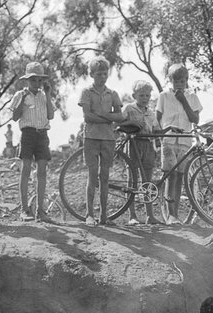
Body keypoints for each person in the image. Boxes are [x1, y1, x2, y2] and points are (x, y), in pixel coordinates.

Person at [79, 57, 124, 226]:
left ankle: (104, 215)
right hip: (91, 137)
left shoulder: (112, 94)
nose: (102, 77)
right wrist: (107, 117)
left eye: (105, 73)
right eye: (99, 74)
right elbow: (87, 116)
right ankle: (89, 214)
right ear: (92, 74)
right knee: (92, 177)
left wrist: (103, 117)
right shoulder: (86, 92)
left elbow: (119, 116)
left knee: (105, 177)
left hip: (108, 138)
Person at [9, 62, 55, 223]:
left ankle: (40, 210)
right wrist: (22, 99)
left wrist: (48, 95)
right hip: (27, 134)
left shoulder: (44, 95)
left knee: (42, 170)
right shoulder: (20, 95)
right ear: (27, 80)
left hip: (42, 134)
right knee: (26, 169)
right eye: (33, 80)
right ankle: (24, 209)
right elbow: (14, 117)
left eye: (39, 80)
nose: (36, 83)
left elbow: (51, 115)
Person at [156, 63, 201, 226]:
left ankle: (175, 214)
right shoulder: (164, 96)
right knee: (170, 175)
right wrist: (159, 134)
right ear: (170, 80)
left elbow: (195, 119)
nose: (179, 85)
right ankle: (171, 215)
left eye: (182, 81)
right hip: (168, 140)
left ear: (187, 80)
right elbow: (157, 117)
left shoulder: (191, 96)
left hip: (185, 141)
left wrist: (183, 100)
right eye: (176, 81)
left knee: (180, 176)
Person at [124, 80, 162, 228]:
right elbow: (120, 123)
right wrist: (131, 125)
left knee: (147, 182)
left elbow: (156, 129)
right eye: (141, 95)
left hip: (147, 145)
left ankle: (150, 215)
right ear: (134, 95)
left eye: (147, 95)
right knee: (132, 180)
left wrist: (162, 137)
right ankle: (132, 215)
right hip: (134, 144)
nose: (144, 98)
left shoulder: (150, 112)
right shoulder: (129, 108)